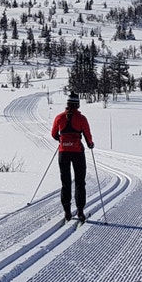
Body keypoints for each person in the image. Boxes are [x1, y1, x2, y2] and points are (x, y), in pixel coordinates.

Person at [51, 94, 95, 222]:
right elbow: (87, 135)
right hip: (77, 152)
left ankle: (67, 212)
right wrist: (90, 144)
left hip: (63, 152)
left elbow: (54, 134)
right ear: (77, 104)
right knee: (80, 182)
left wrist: (61, 140)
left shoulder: (59, 117)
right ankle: (80, 211)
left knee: (65, 182)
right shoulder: (81, 118)